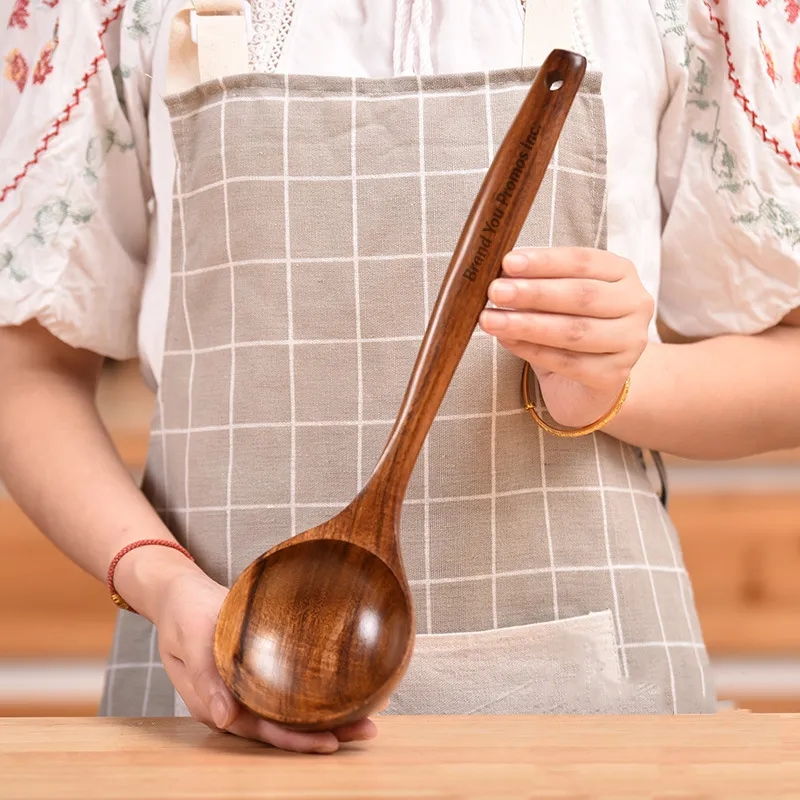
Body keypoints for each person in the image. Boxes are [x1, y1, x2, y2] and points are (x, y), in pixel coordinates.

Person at [0, 0, 798, 754]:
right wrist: (159, 579)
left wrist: (629, 382)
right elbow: (24, 371)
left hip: (596, 712)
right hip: (215, 668)